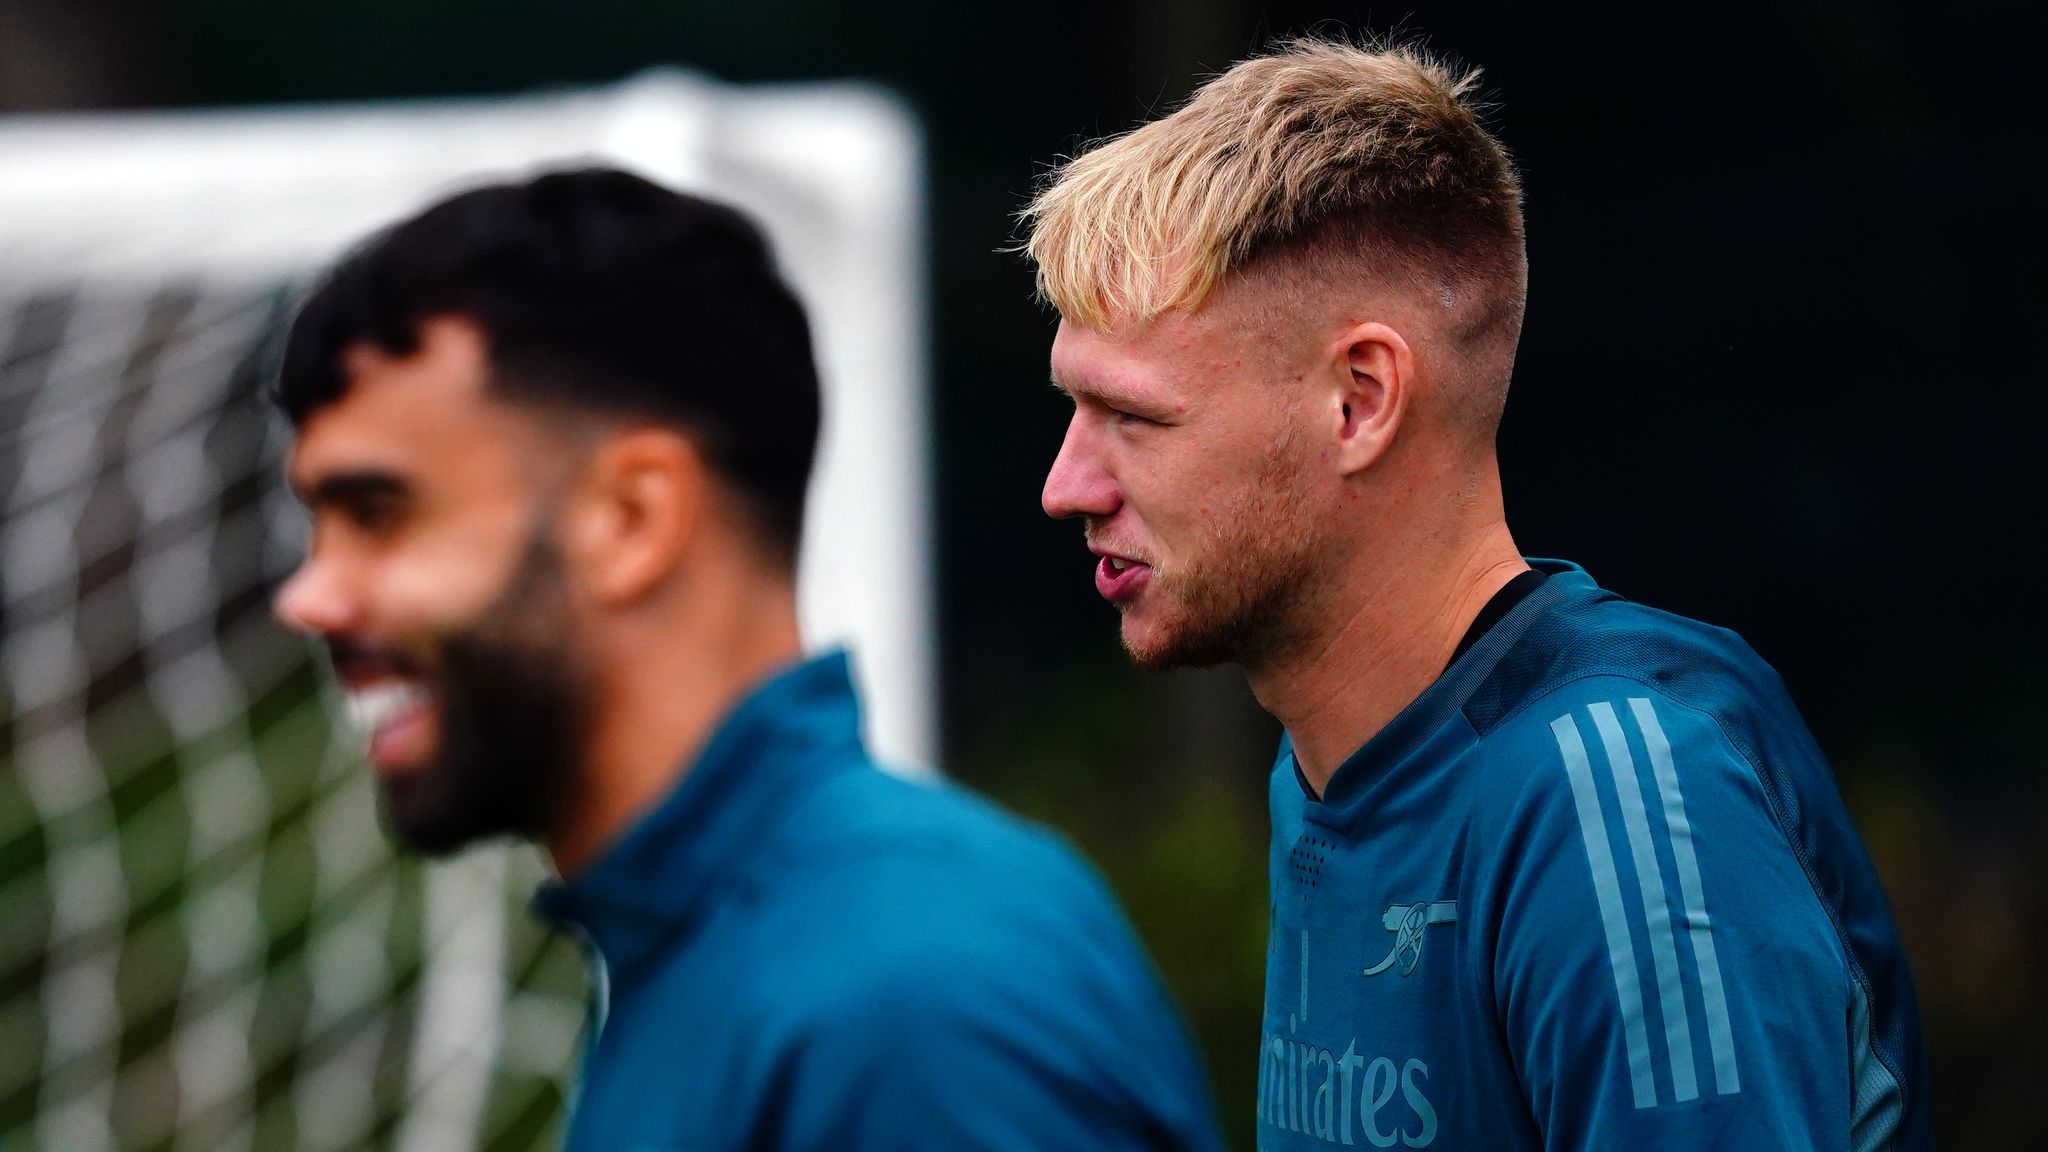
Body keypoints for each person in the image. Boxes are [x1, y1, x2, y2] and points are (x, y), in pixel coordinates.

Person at [1025, 39, 1930, 1150]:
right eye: (1075, 410)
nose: (1065, 486)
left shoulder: (1616, 793)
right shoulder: (1326, 769)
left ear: (1359, 400)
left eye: (1135, 417)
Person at [271, 167, 1221, 1152]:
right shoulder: (708, 952)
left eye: (378, 514)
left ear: (631, 519)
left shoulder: (914, 997)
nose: (309, 598)